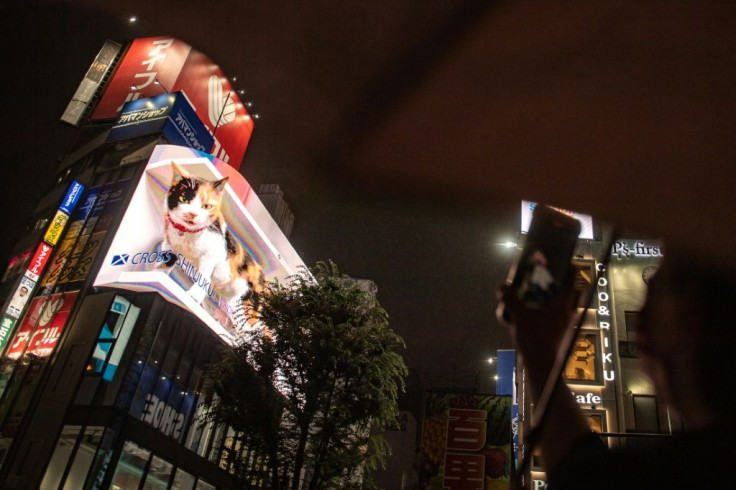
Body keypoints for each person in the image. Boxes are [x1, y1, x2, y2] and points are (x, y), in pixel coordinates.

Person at [497, 245, 736, 489]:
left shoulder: (672, 473)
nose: (641, 329)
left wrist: (539, 350)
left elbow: (582, 474)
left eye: (653, 299)